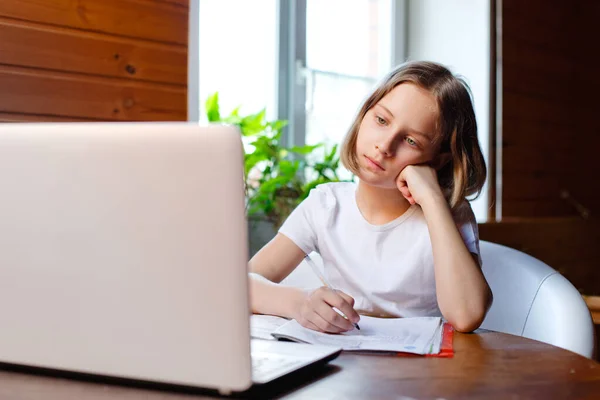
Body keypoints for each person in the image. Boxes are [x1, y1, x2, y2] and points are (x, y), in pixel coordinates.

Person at [248, 60, 492, 333]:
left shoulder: (449, 214)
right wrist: (298, 303)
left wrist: (433, 199)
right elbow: (241, 284)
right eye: (381, 120)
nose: (384, 146)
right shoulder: (326, 205)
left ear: (437, 160)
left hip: (422, 369)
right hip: (344, 364)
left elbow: (467, 315)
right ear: (364, 115)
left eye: (411, 141)